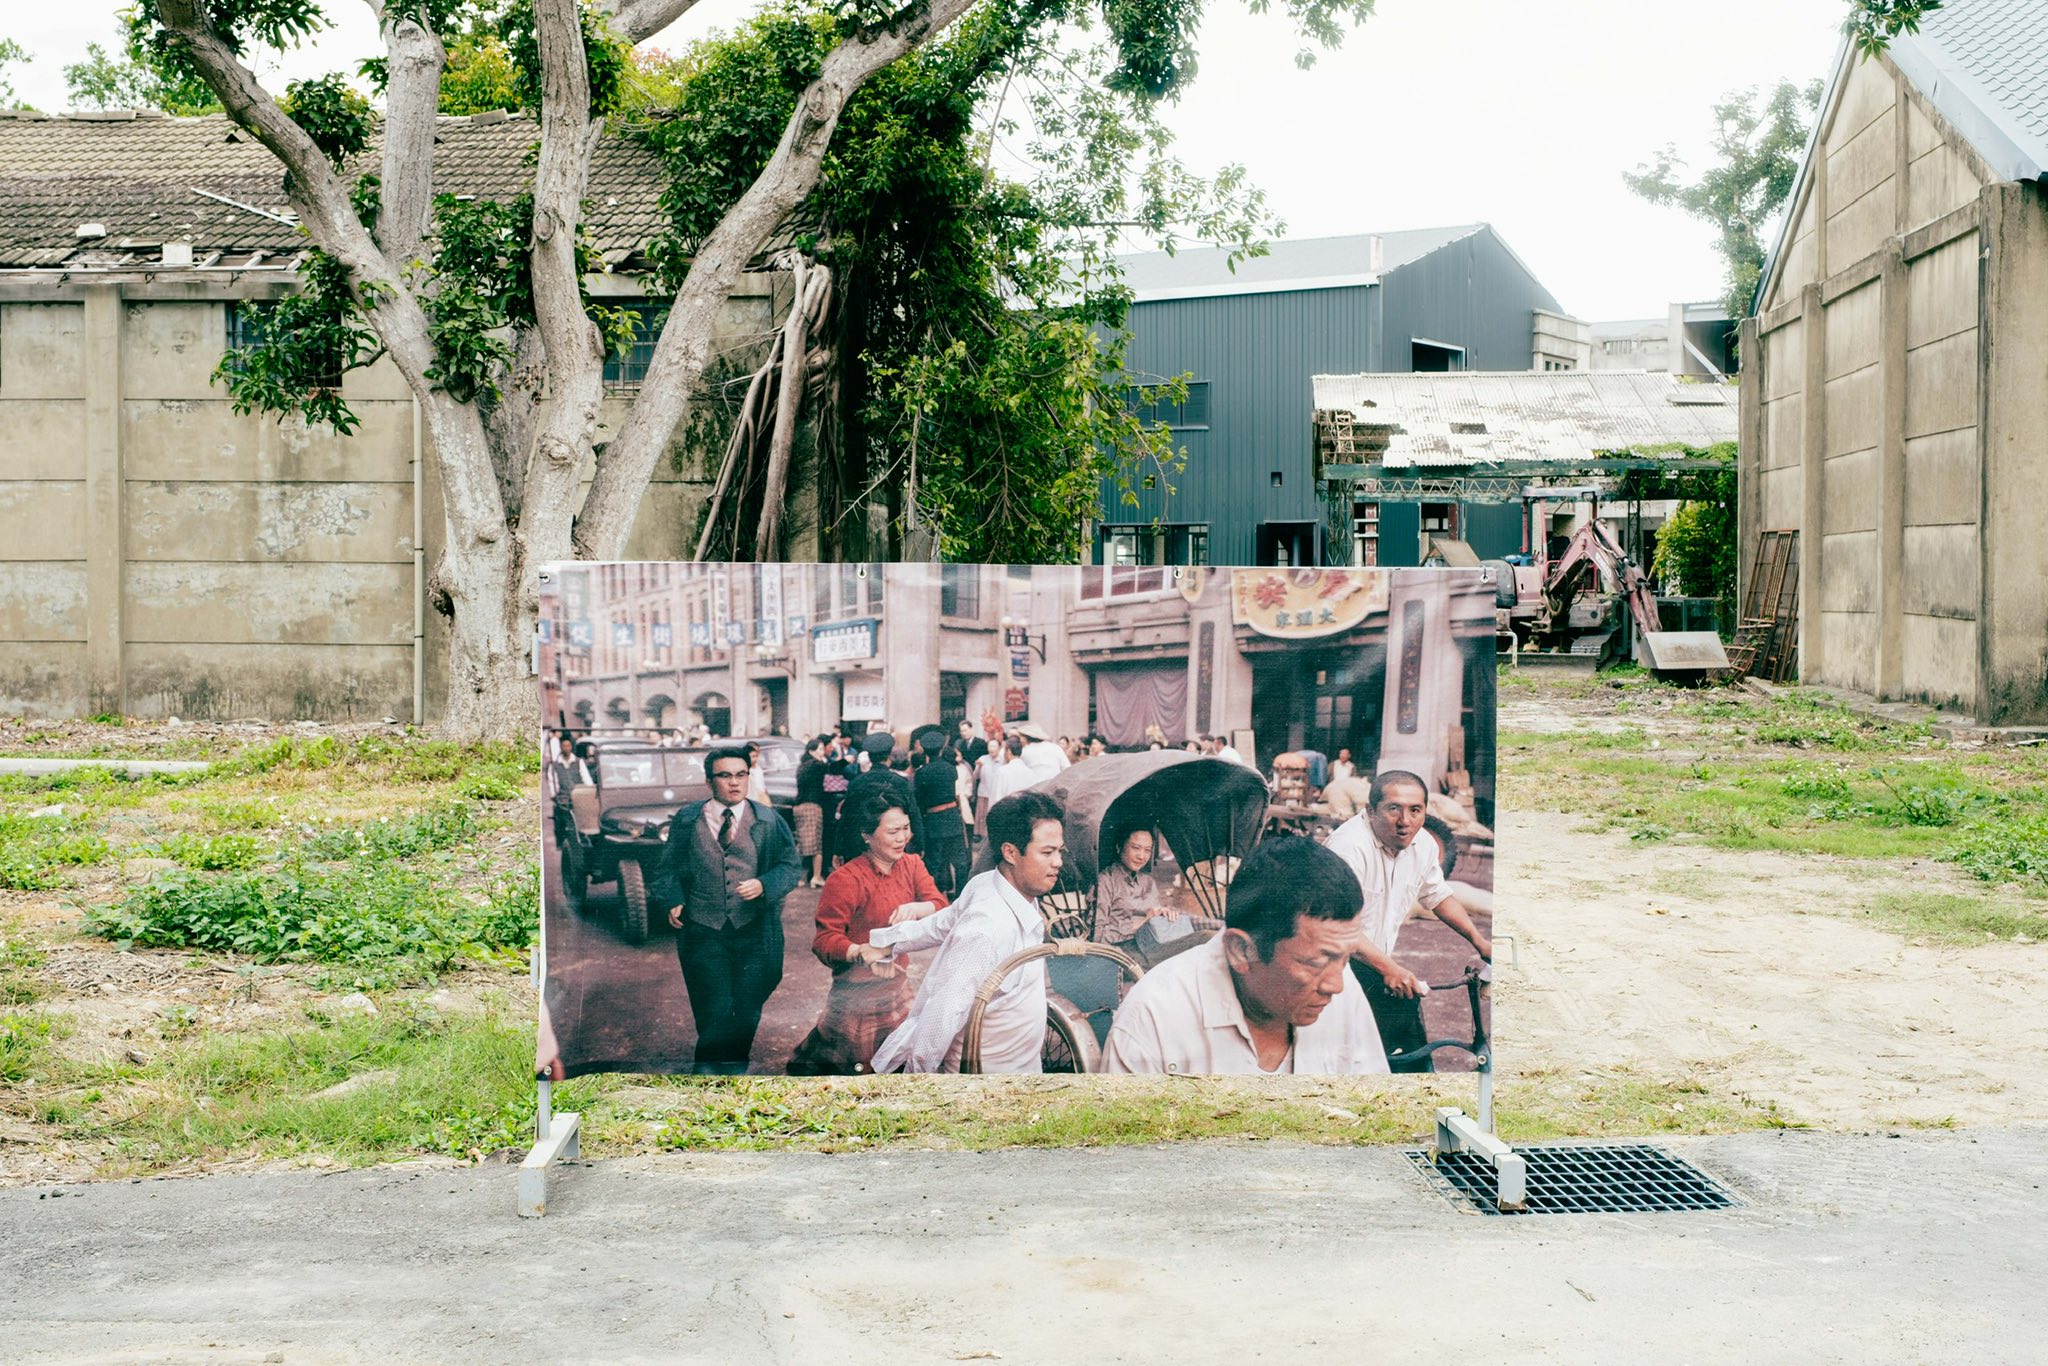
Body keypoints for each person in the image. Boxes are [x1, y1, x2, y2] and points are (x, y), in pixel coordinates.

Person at [1102, 837, 1387, 1075]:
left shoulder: (1341, 985)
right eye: (1315, 963)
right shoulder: (1152, 1019)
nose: (1336, 985)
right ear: (1241, 950)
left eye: (1345, 959)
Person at [869, 791, 1065, 1074]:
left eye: (1059, 851)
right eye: (1047, 852)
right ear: (1010, 852)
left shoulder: (991, 884)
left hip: (1027, 1068)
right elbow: (942, 1016)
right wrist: (916, 1084)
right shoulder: (987, 930)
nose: (1058, 862)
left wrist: (887, 943)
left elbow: (942, 922)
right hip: (988, 1083)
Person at [1321, 769, 1492, 1068]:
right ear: (1371, 811)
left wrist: (1480, 942)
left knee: (1406, 1049)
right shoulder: (1348, 848)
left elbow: (1437, 895)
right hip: (1330, 966)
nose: (1405, 821)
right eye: (1393, 809)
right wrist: (1390, 968)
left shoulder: (1423, 844)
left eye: (1415, 810)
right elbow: (1339, 925)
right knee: (1345, 1058)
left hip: (1372, 962)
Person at [657, 746, 803, 1074]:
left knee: (748, 1006)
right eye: (724, 775)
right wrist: (673, 898)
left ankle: (733, 1069)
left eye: (740, 775)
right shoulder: (687, 819)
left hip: (754, 931)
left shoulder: (768, 820)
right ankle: (708, 1075)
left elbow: (790, 866)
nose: (734, 782)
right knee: (714, 1006)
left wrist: (764, 884)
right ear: (709, 781)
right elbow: (666, 868)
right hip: (704, 930)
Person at [787, 794, 947, 1075]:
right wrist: (859, 951)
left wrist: (917, 907)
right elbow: (824, 940)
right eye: (893, 831)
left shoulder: (911, 865)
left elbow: (941, 906)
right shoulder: (846, 879)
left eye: (906, 828)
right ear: (866, 835)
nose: (903, 838)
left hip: (897, 989)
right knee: (850, 1076)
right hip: (855, 998)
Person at [839, 732, 922, 862]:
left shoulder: (857, 782)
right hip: (891, 845)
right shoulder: (900, 782)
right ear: (889, 756)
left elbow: (846, 817)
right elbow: (914, 815)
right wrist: (919, 845)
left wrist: (838, 850)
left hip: (861, 846)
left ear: (869, 757)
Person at [1092, 828, 1171, 956]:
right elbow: (1096, 937)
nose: (1141, 856)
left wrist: (1166, 916)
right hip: (1120, 955)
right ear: (1119, 847)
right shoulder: (1105, 881)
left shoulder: (1148, 882)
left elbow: (1156, 923)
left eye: (1147, 850)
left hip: (1151, 947)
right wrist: (1141, 924)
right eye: (1135, 848)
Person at [913, 743, 968, 898]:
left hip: (934, 820)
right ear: (941, 749)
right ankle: (961, 896)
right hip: (952, 817)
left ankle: (934, 897)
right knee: (961, 863)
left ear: (925, 752)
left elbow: (919, 800)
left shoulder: (922, 773)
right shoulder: (950, 768)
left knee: (934, 862)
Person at [795, 734, 832, 888]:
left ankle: (799, 878)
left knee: (802, 844)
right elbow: (832, 769)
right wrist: (846, 761)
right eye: (820, 749)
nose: (823, 752)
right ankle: (816, 877)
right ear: (812, 750)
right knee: (816, 844)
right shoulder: (816, 765)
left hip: (799, 807)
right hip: (812, 806)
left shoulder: (803, 765)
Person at [743, 741, 770, 806]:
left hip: (761, 798)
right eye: (753, 756)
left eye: (756, 756)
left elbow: (762, 785)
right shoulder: (745, 771)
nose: (755, 759)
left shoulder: (758, 768)